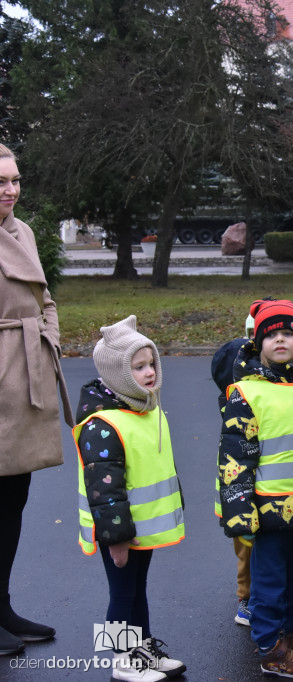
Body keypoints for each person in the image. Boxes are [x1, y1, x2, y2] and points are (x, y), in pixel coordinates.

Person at [218, 300, 293, 678]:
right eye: (271, 334)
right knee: (268, 582)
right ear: (258, 342)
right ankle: (269, 646)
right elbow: (236, 461)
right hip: (268, 511)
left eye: (288, 332)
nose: (280, 339)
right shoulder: (247, 393)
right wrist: (239, 513)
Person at [74, 316, 185, 681]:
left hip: (139, 527)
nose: (150, 372)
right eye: (138, 367)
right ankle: (122, 662)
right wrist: (117, 539)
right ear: (118, 375)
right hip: (118, 532)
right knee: (122, 594)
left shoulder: (142, 407)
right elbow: (105, 491)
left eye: (151, 363)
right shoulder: (103, 423)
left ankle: (144, 652)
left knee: (137, 590)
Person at [0, 143, 71, 657]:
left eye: (15, 180)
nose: (10, 190)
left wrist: (49, 335)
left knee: (12, 500)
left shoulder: (19, 231)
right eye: (0, 182)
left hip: (23, 370)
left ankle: (0, 606)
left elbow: (44, 297)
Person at [210, 309, 258, 627]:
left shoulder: (232, 402)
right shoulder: (239, 407)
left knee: (249, 553)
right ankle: (246, 601)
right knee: (247, 553)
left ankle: (251, 597)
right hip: (240, 497)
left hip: (237, 497)